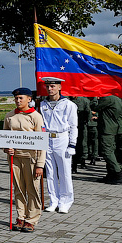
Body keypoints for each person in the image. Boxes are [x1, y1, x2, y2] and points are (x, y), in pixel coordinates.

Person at [4, 87, 46, 233]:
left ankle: (31, 219)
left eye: (21, 98)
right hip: (15, 158)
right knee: (19, 189)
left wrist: (40, 165)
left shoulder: (36, 116)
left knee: (32, 189)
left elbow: (42, 142)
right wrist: (7, 148)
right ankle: (21, 216)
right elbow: (5, 137)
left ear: (29, 99)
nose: (18, 100)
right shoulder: (9, 116)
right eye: (16, 98)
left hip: (31, 158)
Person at [38, 77, 78, 214]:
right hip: (48, 139)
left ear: (60, 87)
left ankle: (66, 201)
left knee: (64, 172)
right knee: (50, 172)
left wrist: (72, 144)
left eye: (53, 86)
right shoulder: (43, 104)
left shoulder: (68, 104)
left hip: (62, 139)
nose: (50, 89)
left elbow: (73, 126)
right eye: (48, 86)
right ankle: (53, 200)